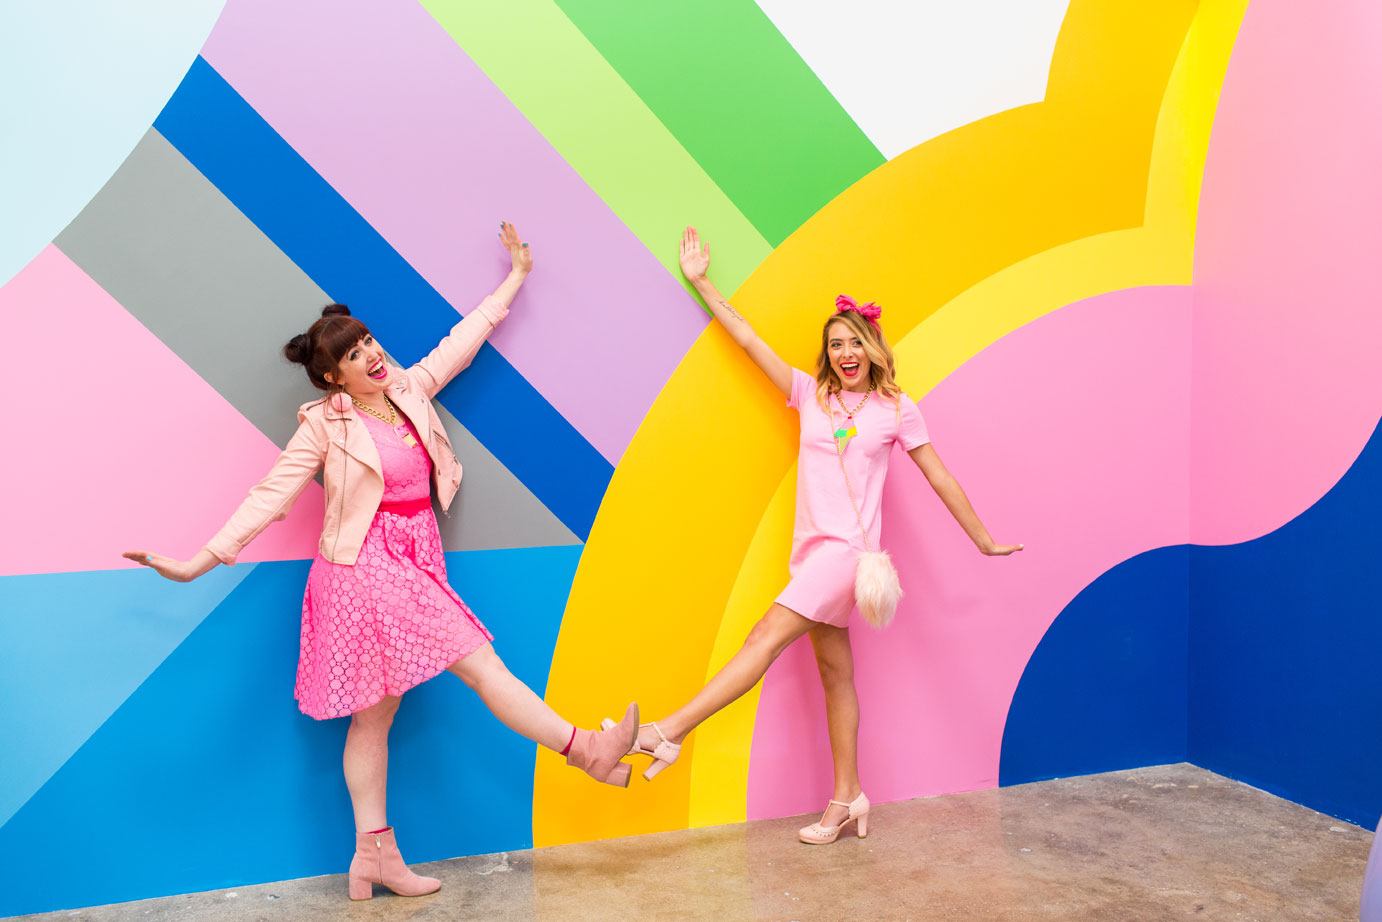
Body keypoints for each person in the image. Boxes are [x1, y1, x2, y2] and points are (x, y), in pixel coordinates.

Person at [124, 223, 637, 901]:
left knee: (375, 717)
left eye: (368, 341)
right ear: (331, 377)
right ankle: (587, 750)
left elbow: (459, 345)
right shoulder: (326, 424)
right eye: (353, 353)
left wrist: (515, 277)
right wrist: (200, 561)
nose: (371, 354)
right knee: (481, 665)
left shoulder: (407, 391)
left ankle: (373, 857)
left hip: (415, 557)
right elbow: (272, 493)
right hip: (362, 568)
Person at [619, 227, 1022, 845]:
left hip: (847, 557)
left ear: (873, 347)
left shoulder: (896, 409)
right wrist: (702, 283)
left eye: (854, 341)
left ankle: (667, 731)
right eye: (835, 344)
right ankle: (848, 796)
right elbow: (748, 338)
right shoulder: (809, 395)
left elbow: (939, 476)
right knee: (836, 675)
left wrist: (984, 540)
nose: (844, 352)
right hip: (809, 552)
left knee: (762, 638)